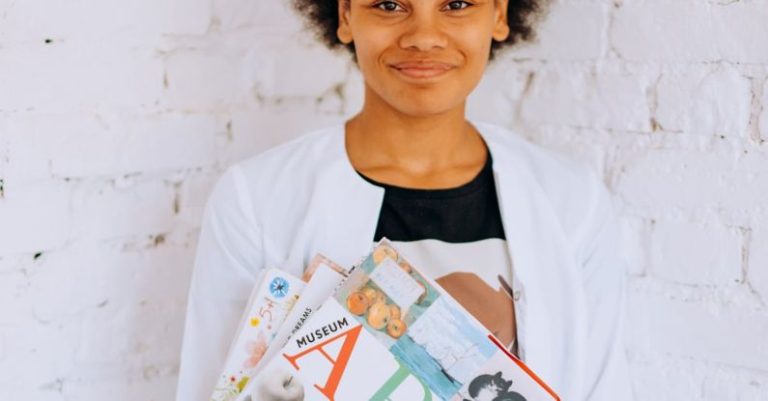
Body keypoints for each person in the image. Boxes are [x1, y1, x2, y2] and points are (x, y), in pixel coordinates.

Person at [175, 1, 633, 400]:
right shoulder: (255, 199)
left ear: (498, 14)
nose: (424, 37)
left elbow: (601, 388)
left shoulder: (573, 200)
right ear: (345, 15)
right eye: (390, 4)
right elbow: (213, 387)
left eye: (456, 3)